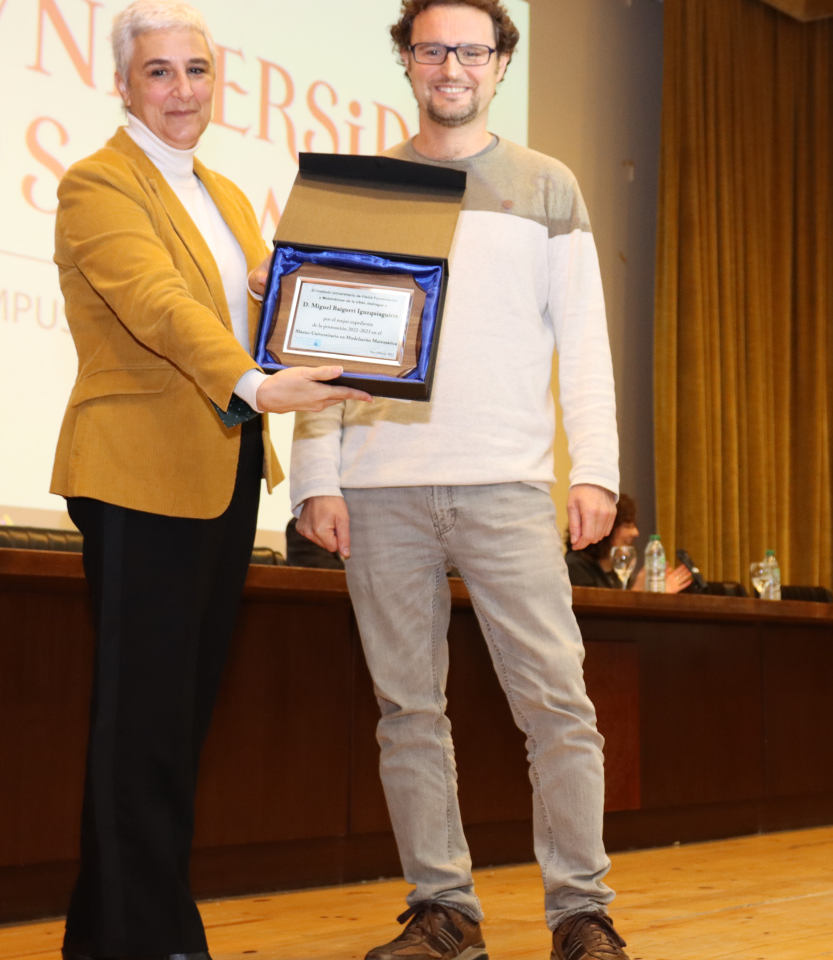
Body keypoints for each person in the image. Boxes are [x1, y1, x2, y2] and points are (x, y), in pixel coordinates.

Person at [280, 2, 632, 958]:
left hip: (509, 486)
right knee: (408, 712)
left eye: (471, 50)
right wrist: (318, 476)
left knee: (558, 704)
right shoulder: (362, 189)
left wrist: (594, 467)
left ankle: (581, 914)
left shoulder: (548, 186)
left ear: (500, 63)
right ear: (406, 58)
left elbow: (584, 342)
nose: (452, 66)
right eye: (432, 47)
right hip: (380, 487)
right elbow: (318, 348)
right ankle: (445, 914)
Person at [50, 3, 369, 958]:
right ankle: (157, 937)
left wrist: (376, 311)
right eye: (160, 72)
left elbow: (283, 296)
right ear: (123, 82)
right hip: (136, 476)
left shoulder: (227, 196)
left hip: (223, 475)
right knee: (140, 725)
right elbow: (156, 304)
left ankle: (105, 938)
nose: (182, 90)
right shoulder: (97, 183)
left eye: (196, 71)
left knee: (175, 725)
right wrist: (256, 381)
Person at [565, 493, 693, 593]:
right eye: (627, 526)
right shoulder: (575, 568)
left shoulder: (616, 573)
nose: (635, 533)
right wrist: (637, 590)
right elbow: (597, 621)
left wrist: (657, 594)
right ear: (604, 529)